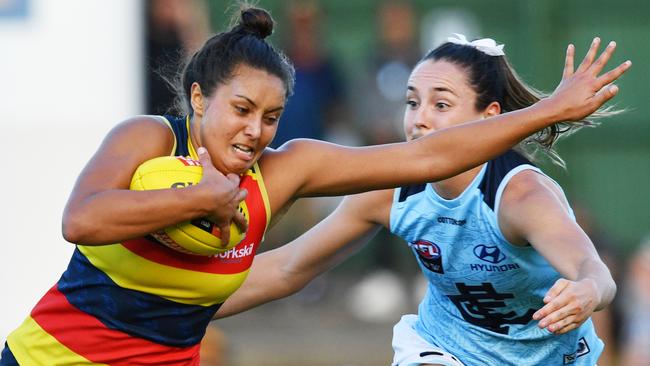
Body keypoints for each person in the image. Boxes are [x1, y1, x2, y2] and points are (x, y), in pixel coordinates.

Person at [0, 4, 630, 364]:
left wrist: (547, 109)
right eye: (241, 109)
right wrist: (197, 198)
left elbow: (427, 160)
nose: (255, 131)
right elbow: (80, 221)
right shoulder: (147, 140)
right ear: (197, 97)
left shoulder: (286, 169)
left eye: (270, 117)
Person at [215, 34, 628, 365]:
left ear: (491, 117)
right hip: (445, 349)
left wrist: (587, 291)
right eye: (412, 102)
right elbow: (287, 268)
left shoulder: (518, 195)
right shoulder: (391, 190)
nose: (419, 118)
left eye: (441, 104)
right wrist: (171, 303)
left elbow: (594, 271)